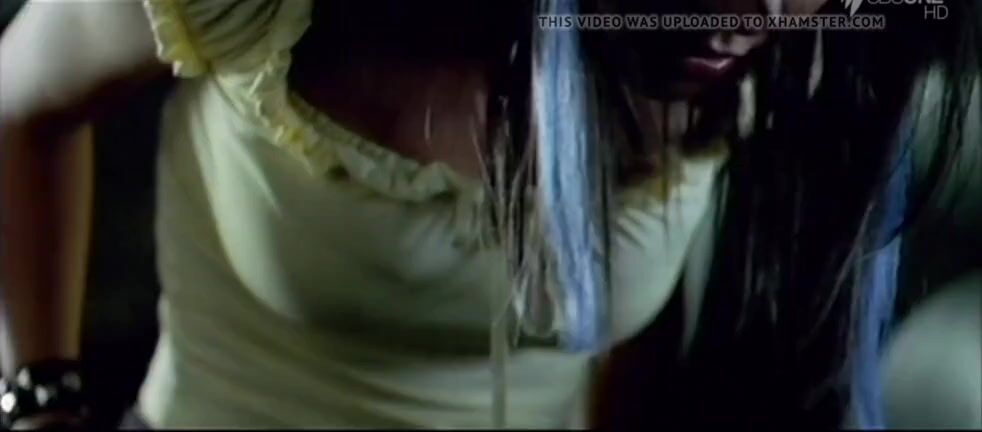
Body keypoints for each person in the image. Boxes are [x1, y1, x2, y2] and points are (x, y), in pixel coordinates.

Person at [0, 0, 978, 429]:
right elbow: (17, 109)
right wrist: (40, 405)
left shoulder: (764, 59)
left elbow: (617, 326)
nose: (750, 13)